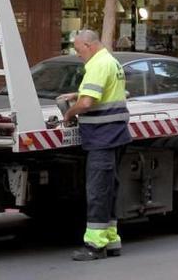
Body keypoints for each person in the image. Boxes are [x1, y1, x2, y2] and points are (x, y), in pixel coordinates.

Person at [59, 30, 132, 261]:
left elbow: (88, 102)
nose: (78, 55)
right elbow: (102, 92)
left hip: (103, 137)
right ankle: (111, 241)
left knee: (98, 190)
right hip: (116, 135)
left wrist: (70, 113)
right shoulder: (111, 61)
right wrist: (78, 93)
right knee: (109, 189)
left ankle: (94, 245)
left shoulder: (98, 64)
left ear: (89, 45)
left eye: (79, 50)